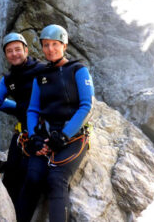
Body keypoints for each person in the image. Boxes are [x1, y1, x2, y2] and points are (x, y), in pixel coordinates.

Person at [18, 24, 94, 222]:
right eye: (45, 45)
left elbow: (86, 106)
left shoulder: (78, 70)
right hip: (46, 136)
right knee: (33, 177)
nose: (50, 49)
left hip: (73, 136)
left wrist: (64, 135)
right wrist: (34, 137)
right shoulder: (40, 77)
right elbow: (33, 109)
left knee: (56, 179)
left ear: (64, 45)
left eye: (55, 44)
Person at [0, 32, 46, 206]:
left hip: (43, 132)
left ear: (26, 50)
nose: (14, 53)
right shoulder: (8, 80)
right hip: (22, 132)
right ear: (6, 55)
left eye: (18, 49)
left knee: (29, 176)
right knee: (10, 176)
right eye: (10, 51)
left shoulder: (43, 70)